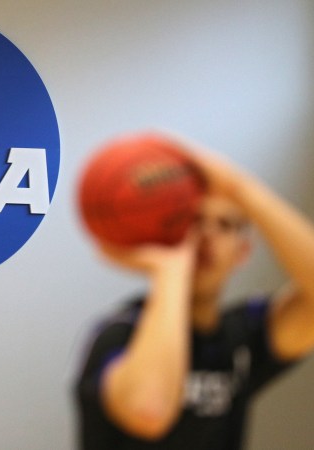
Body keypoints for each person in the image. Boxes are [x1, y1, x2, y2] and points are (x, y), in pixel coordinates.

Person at [75, 134, 314, 449]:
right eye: (194, 219)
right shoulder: (120, 333)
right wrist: (170, 269)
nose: (207, 234)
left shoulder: (243, 335)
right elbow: (150, 410)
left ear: (243, 251)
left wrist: (239, 187)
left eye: (224, 225)